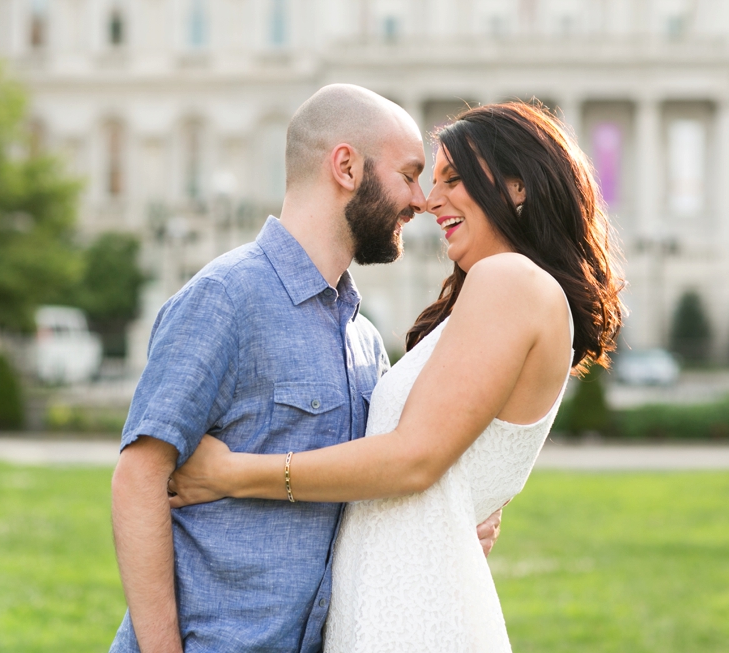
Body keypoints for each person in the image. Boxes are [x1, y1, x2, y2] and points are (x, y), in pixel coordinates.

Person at [166, 101, 625, 651]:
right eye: (428, 180)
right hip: (401, 598)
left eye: (454, 179)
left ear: (518, 186)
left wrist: (232, 474)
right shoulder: (511, 289)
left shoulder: (509, 280)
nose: (430, 201)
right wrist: (462, 514)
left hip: (413, 616)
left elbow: (412, 459)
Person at [108, 84, 502, 653]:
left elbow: (366, 488)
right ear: (346, 166)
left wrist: (447, 528)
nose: (421, 200)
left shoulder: (366, 341)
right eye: (409, 174)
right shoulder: (226, 297)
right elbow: (138, 478)